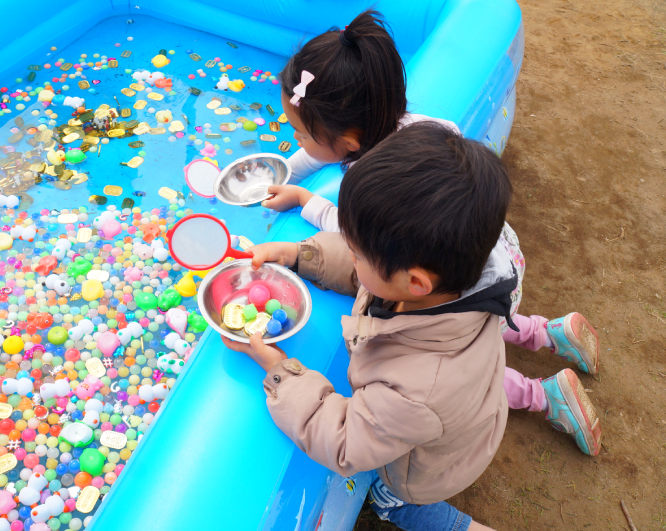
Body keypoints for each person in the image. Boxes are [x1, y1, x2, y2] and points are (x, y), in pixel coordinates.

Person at [223, 124, 601, 531]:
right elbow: (366, 275)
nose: (351, 256)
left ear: (415, 282)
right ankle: (544, 379)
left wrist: (281, 371)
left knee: (395, 500)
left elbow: (346, 441)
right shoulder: (455, 279)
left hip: (430, 469)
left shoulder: (416, 387)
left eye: (355, 251)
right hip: (469, 411)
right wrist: (299, 254)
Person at [264, 9, 602, 425]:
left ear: (348, 142)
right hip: (497, 258)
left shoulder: (376, 187)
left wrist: (303, 199)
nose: (295, 139)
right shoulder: (419, 128)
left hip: (459, 294)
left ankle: (544, 396)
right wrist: (285, 171)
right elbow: (321, 151)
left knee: (466, 371)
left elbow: (350, 232)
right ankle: (547, 334)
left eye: (299, 134)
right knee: (492, 318)